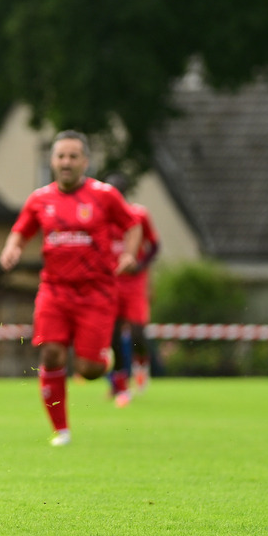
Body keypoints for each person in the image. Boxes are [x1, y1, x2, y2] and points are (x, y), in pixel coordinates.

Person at [0, 130, 141, 446]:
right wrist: (14, 248)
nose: (66, 162)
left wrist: (130, 254)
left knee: (89, 370)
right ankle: (61, 430)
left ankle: (105, 360)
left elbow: (133, 224)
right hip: (54, 290)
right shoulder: (40, 199)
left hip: (96, 292)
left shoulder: (104, 195)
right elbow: (20, 231)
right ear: (52, 161)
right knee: (51, 353)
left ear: (85, 162)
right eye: (61, 156)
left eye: (73, 156)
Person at [105, 173, 160, 405]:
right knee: (113, 335)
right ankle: (120, 383)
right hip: (111, 282)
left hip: (135, 283)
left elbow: (155, 245)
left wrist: (140, 266)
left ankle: (141, 365)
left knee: (137, 332)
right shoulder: (100, 218)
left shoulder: (138, 215)